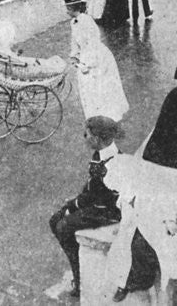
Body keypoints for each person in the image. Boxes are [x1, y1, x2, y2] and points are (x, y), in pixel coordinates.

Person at [49, 116, 124, 298]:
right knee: (56, 222)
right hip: (98, 204)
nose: (85, 137)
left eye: (87, 134)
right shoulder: (106, 153)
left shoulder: (107, 164)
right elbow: (91, 188)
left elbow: (95, 198)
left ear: (97, 139)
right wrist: (74, 203)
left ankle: (80, 277)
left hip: (106, 211)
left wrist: (71, 206)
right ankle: (78, 268)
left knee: (62, 226)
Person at [65, 0, 129, 121]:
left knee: (101, 88)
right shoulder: (73, 22)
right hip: (85, 57)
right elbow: (75, 42)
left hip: (98, 58)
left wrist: (87, 63)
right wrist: (74, 56)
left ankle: (106, 119)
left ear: (73, 9)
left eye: (68, 8)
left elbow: (93, 43)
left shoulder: (87, 21)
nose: (66, 12)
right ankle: (94, 117)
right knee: (87, 89)